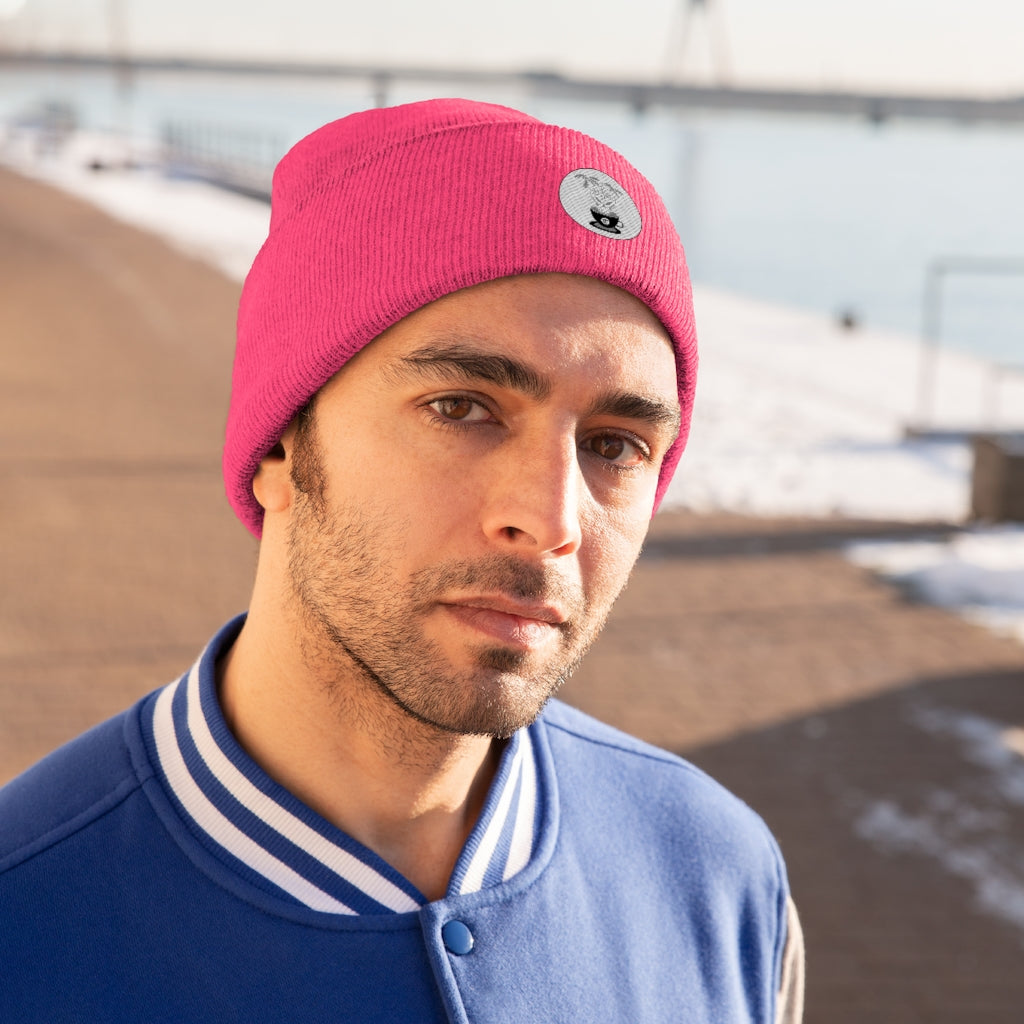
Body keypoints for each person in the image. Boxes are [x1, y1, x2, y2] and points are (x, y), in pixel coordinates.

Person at [0, 98, 803, 1022]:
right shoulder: (26, 918)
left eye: (615, 446)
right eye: (462, 409)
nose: (550, 521)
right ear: (279, 447)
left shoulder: (719, 877)